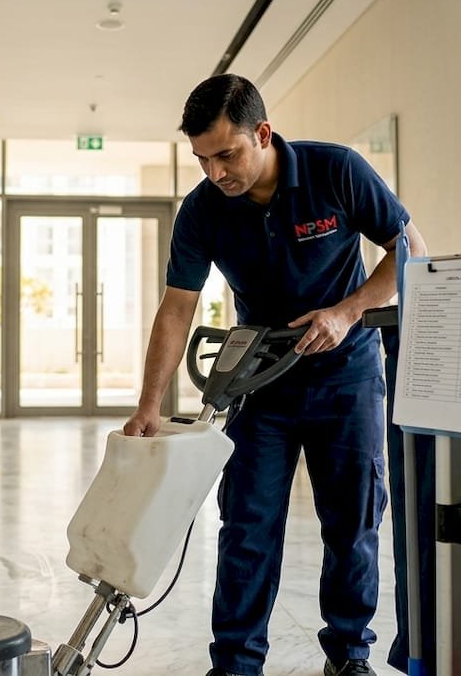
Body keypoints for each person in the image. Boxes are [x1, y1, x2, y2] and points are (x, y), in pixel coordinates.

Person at [121, 73, 427, 676]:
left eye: (226, 155)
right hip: (259, 379)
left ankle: (348, 654)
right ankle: (235, 663)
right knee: (248, 524)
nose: (215, 173)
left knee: (352, 521)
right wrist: (149, 403)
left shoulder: (335, 170)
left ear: (263, 134)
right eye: (202, 159)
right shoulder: (203, 210)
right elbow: (178, 304)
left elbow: (410, 247)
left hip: (346, 374)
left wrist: (348, 310)